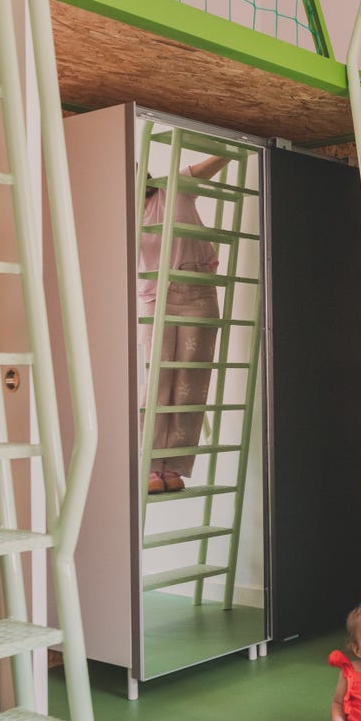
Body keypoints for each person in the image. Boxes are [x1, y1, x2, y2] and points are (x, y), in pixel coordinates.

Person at [138, 153, 228, 493]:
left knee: (190, 380)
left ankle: (173, 465)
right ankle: (148, 464)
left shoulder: (172, 188)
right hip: (154, 296)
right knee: (155, 381)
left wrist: (236, 137)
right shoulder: (122, 212)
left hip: (197, 290)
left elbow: (211, 164)